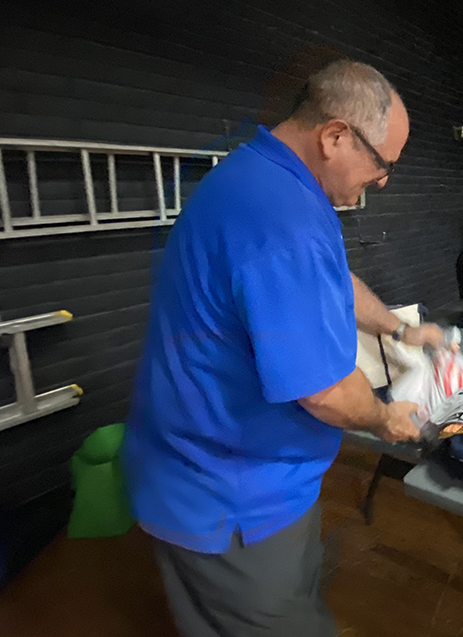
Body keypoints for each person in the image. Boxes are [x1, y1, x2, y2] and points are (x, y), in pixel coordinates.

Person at [123, 60, 444, 637]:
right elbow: (324, 393)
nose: (384, 179)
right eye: (383, 163)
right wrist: (384, 419)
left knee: (293, 597)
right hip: (228, 495)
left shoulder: (270, 178)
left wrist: (398, 330)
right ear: (336, 135)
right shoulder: (281, 220)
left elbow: (335, 282)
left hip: (256, 474)